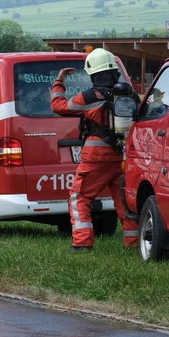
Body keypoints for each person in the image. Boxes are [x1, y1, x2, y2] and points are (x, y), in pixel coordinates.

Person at [50, 48, 139, 251]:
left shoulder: (90, 97)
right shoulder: (131, 95)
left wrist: (59, 81)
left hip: (96, 159)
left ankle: (82, 243)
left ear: (93, 73)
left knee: (79, 197)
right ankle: (134, 244)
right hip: (124, 156)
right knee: (125, 202)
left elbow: (58, 106)